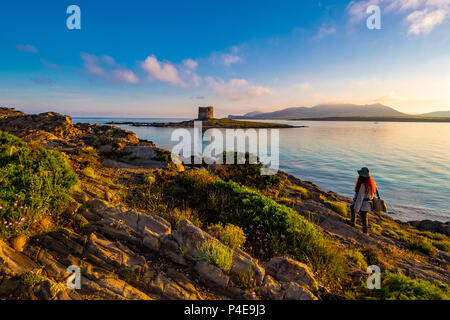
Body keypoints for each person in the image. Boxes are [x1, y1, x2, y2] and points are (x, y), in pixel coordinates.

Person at [350, 167, 377, 234]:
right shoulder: (372, 183)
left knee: (363, 217)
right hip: (368, 204)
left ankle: (363, 230)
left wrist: (356, 208)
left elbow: (360, 198)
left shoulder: (363, 185)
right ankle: (364, 230)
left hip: (363, 205)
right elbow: (372, 194)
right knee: (364, 217)